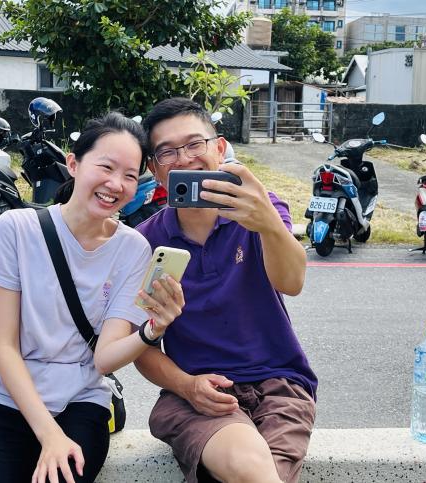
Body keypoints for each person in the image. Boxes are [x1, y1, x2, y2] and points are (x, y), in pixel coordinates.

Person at [0, 112, 185, 483]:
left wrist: (152, 330)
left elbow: (104, 359)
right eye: (106, 167)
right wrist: (49, 436)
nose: (116, 184)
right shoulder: (16, 230)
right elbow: (5, 347)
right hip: (1, 398)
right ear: (74, 164)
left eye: (130, 175)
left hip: (80, 403)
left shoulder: (133, 250)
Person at [135, 98, 317, 483]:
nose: (184, 159)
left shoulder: (258, 210)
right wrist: (187, 385)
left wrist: (268, 222)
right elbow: (140, 345)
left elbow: (292, 282)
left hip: (279, 385)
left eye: (194, 144)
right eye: (167, 152)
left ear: (219, 148)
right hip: (195, 393)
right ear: (154, 168)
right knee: (251, 469)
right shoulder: (145, 241)